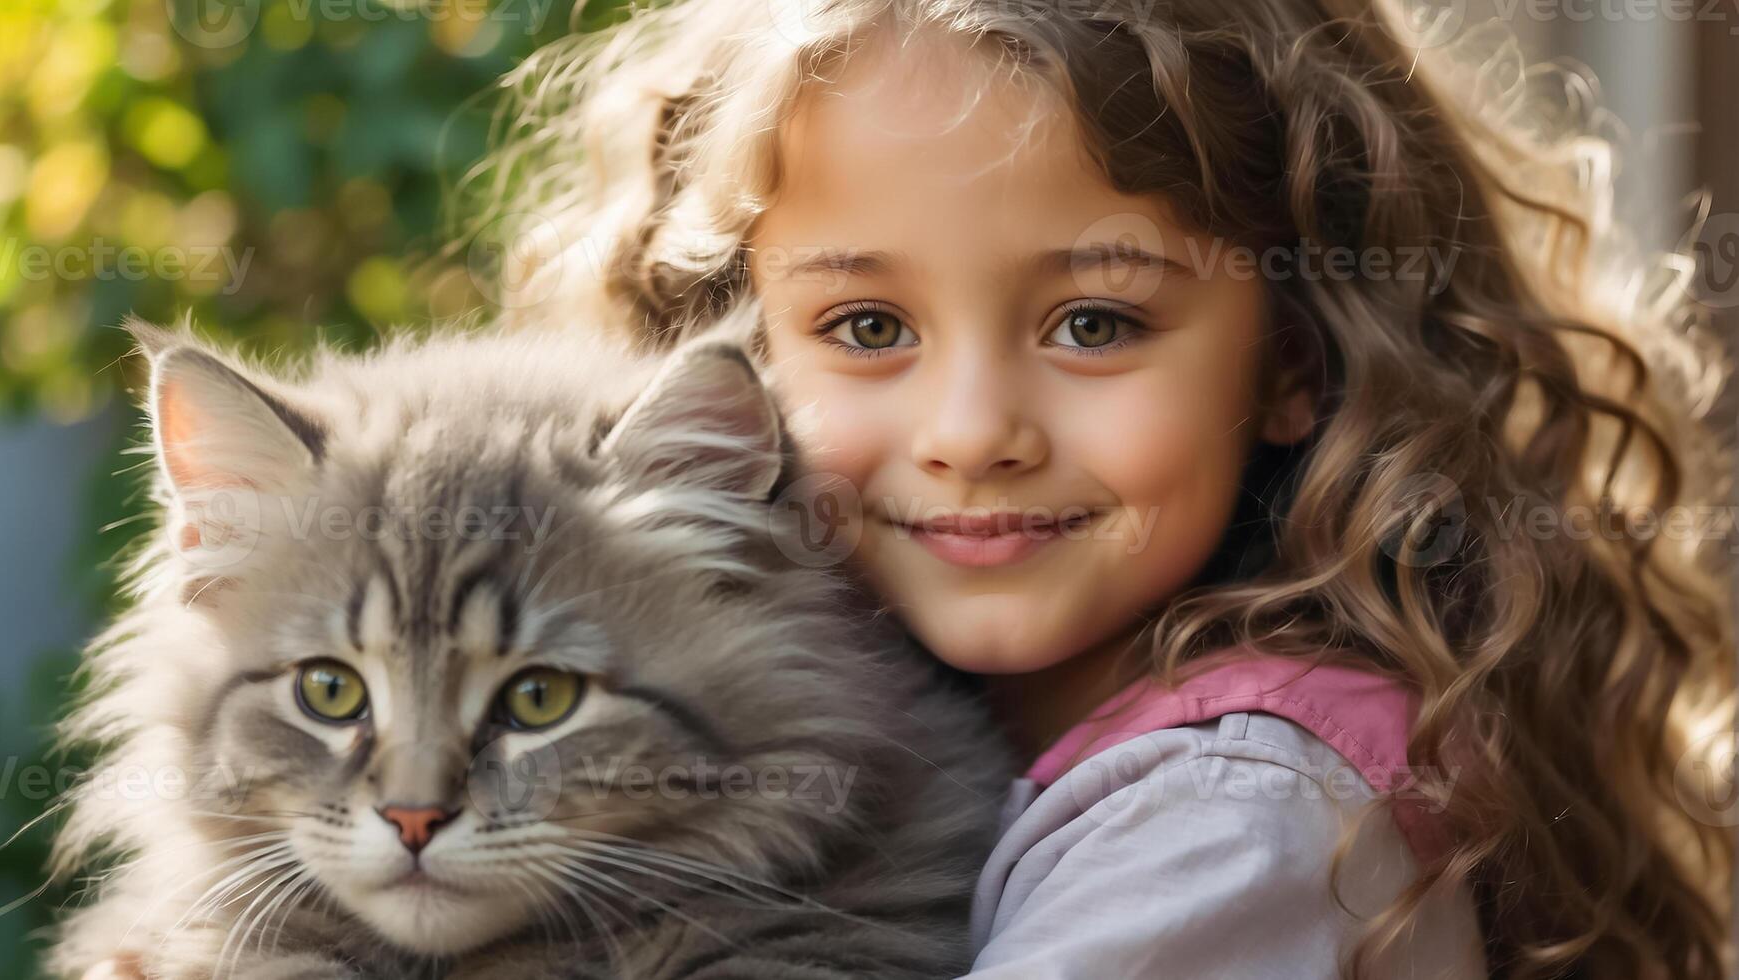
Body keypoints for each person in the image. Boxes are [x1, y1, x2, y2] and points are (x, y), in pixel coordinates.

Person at [474, 0, 1739, 975]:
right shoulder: (914, 729)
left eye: (1093, 322)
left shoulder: (1232, 820)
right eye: (864, 325)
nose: (973, 433)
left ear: (1295, 348)